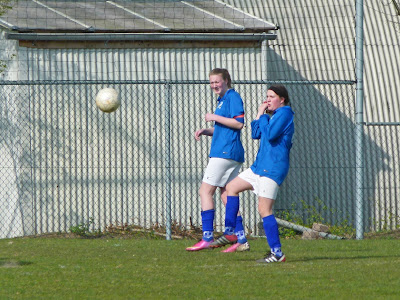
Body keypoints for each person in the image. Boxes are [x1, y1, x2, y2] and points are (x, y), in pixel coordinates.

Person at [223, 85, 294, 262]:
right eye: (267, 96)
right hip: (258, 167)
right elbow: (256, 134)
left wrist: (263, 116)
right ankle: (231, 231)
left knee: (264, 209)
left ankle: (277, 253)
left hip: (272, 168)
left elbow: (269, 135)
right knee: (231, 187)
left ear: (282, 99)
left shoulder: (285, 113)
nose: (268, 99)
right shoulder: (273, 116)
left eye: (272, 97)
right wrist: (259, 113)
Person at [186, 68, 250, 252]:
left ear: (226, 81)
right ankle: (241, 239)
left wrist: (213, 117)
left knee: (205, 191)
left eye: (217, 81)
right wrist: (206, 131)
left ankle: (207, 236)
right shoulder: (222, 101)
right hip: (230, 153)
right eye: (211, 82)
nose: (214, 85)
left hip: (224, 153)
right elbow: (225, 128)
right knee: (226, 194)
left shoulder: (232, 97)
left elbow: (239, 123)